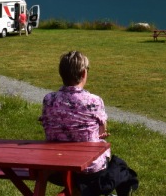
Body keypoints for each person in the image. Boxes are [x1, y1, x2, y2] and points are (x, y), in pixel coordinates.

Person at [39, 51, 139, 196]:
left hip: (56, 169)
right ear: (83, 73)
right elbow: (102, 130)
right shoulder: (93, 101)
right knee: (120, 167)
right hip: (88, 169)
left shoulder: (49, 99)